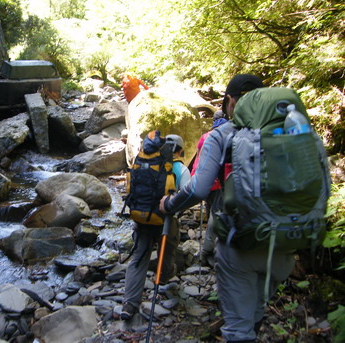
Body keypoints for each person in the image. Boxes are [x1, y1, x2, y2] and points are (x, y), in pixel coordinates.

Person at [159, 74, 295, 343]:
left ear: (229, 101)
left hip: (241, 242)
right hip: (285, 240)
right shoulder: (289, 131)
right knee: (256, 308)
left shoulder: (221, 134)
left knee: (237, 328)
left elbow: (198, 189)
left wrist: (170, 205)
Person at [121, 134, 191, 320]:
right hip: (165, 219)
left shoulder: (144, 162)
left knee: (139, 256)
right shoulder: (180, 169)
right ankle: (163, 279)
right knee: (167, 249)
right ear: (179, 150)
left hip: (142, 217)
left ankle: (129, 303)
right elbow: (188, 197)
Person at [190, 110, 227, 267]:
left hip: (200, 179)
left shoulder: (205, 136)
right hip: (216, 181)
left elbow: (198, 156)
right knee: (216, 215)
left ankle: (208, 244)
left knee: (211, 207)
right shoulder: (223, 135)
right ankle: (207, 251)